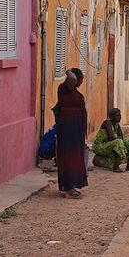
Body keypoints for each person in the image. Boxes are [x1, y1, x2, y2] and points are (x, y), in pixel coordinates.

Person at [53, 68, 88, 198]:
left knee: (76, 157)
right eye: (81, 79)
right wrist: (67, 70)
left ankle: (72, 185)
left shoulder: (75, 93)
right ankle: (68, 187)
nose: (81, 82)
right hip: (67, 129)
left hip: (76, 129)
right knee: (68, 157)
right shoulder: (63, 89)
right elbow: (72, 79)